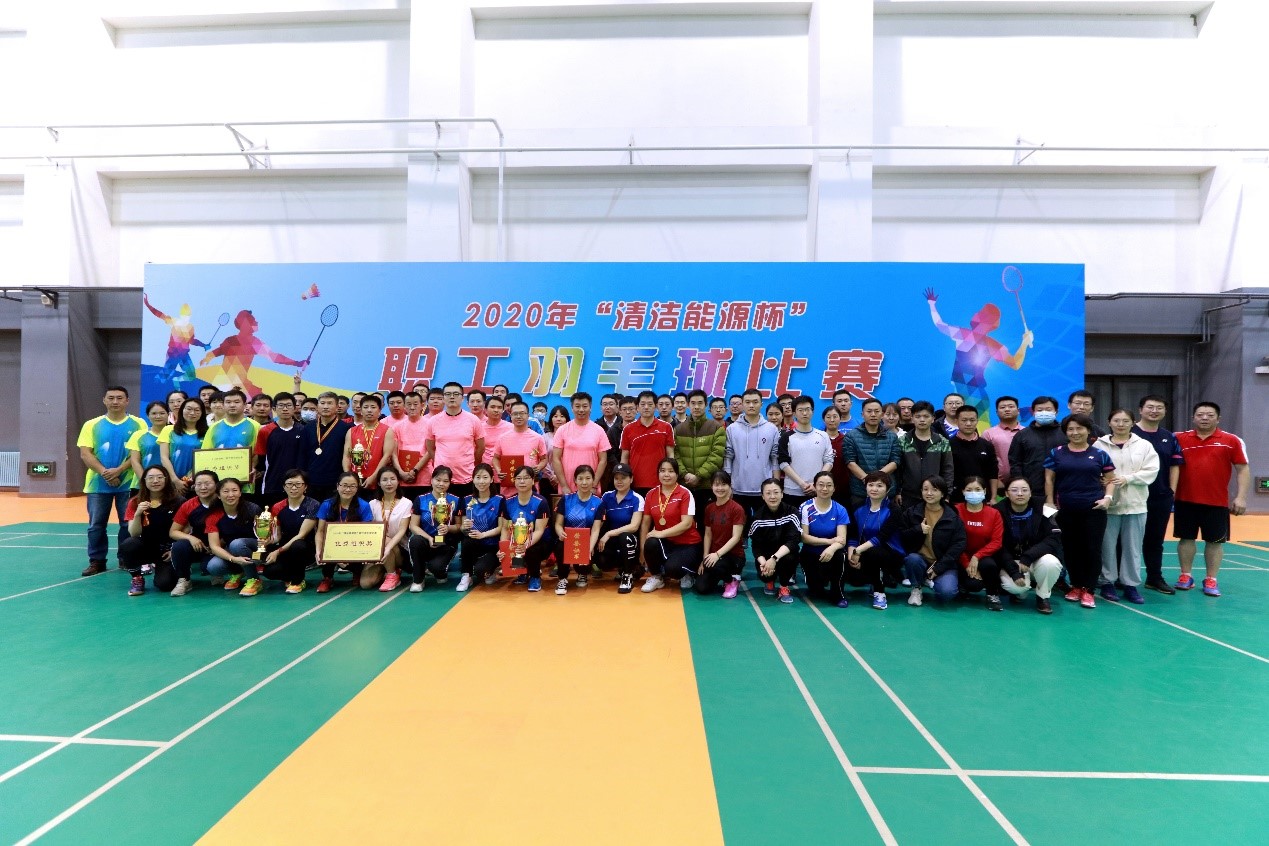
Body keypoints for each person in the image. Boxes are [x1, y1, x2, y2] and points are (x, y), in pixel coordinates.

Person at [1173, 402, 1250, 596]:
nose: (1205, 418)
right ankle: (1185, 576)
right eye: (1200, 414)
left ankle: (1211, 579)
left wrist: (1241, 497)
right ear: (1193, 418)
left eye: (1210, 415)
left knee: (1215, 542)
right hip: (1184, 499)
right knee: (1186, 539)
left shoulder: (1231, 440)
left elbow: (1242, 469)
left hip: (1217, 502)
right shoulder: (1179, 438)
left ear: (1218, 418)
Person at [924, 288, 1033, 425]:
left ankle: (1025, 413)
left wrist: (1024, 343)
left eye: (981, 313)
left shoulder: (972, 337)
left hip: (974, 392)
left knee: (981, 428)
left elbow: (1015, 364)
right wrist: (932, 304)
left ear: (986, 320)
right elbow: (940, 325)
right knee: (972, 426)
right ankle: (1025, 413)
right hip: (964, 390)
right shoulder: (973, 337)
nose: (976, 314)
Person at [1044, 414, 1116, 608]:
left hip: (1093, 510)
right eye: (1070, 429)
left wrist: (1108, 498)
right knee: (1071, 549)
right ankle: (1076, 586)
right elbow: (1049, 479)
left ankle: (1089, 589)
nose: (1075, 432)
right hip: (1066, 510)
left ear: (1088, 431)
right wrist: (1050, 502)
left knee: (1092, 549)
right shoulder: (1056, 453)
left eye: (1079, 428)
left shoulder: (1100, 454)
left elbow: (1111, 479)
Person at [78, 386, 147, 576]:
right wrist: (105, 473)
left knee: (127, 524)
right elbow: (85, 454)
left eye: (119, 398)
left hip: (128, 484)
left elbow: (139, 451)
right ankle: (97, 561)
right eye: (111, 398)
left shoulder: (139, 423)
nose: (115, 401)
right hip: (97, 484)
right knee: (96, 525)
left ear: (127, 401)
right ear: (104, 400)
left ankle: (125, 558)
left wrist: (119, 471)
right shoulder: (91, 425)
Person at [1095, 410, 1160, 604]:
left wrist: (1128, 479)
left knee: (1133, 548)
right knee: (1106, 546)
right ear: (1109, 422)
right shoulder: (1099, 445)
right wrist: (1101, 480)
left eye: (1125, 421)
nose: (1121, 424)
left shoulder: (1144, 445)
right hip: (1108, 505)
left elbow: (1152, 470)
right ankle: (1107, 582)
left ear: (1133, 423)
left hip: (1135, 505)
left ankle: (1130, 584)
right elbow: (1092, 467)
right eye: (1116, 420)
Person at [1133, 395, 1184, 594]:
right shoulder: (1129, 433)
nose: (1154, 411)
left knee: (1155, 540)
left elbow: (1175, 465)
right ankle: (1120, 578)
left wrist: (1171, 492)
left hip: (1160, 497)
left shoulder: (1169, 437)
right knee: (1124, 540)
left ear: (1165, 411)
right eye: (1150, 407)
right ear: (1140, 410)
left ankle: (1154, 577)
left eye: (1159, 408)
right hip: (1132, 496)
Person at [994, 476, 1065, 614]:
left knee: (1051, 563)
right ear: (1007, 493)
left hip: (1035, 558)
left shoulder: (1044, 510)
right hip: (1011, 561)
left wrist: (1029, 556)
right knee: (1016, 587)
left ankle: (1043, 596)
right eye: (1014, 490)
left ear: (1030, 493)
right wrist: (1013, 571)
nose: (1020, 493)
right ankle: (1021, 593)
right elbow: (998, 545)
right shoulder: (997, 512)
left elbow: (1053, 539)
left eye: (1024, 490)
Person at [899, 475, 966, 606]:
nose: (929, 493)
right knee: (912, 559)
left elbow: (959, 544)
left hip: (943, 563)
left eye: (934, 490)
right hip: (920, 559)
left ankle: (930, 578)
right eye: (925, 489)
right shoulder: (912, 512)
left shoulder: (952, 516)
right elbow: (901, 536)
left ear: (942, 494)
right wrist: (918, 530)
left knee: (946, 593)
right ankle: (916, 587)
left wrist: (938, 568)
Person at [640, 459, 703, 592]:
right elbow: (645, 523)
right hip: (666, 543)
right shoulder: (651, 494)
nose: (666, 475)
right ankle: (657, 577)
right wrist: (642, 550)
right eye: (662, 471)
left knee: (673, 569)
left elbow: (686, 524)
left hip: (688, 543)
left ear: (677, 474)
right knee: (650, 542)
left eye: (671, 471)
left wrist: (661, 533)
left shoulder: (685, 493)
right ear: (658, 474)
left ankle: (687, 574)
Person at [798, 472, 860, 608]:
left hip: (833, 553)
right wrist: (829, 542)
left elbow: (842, 540)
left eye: (829, 485)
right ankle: (818, 583)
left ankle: (838, 594)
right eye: (821, 485)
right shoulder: (805, 507)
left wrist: (831, 548)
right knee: (816, 590)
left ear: (834, 488)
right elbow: (804, 537)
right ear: (815, 486)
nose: (824, 489)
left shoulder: (840, 509)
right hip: (811, 552)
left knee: (841, 557)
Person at [119, 465, 182, 596]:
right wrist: (138, 514)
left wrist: (175, 550)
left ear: (166, 479)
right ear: (144, 481)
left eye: (159, 477)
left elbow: (186, 529)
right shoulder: (135, 501)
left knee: (165, 584)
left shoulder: (178, 501)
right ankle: (137, 578)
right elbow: (134, 533)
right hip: (147, 546)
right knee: (129, 544)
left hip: (167, 550)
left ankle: (179, 569)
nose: (155, 481)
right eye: (151, 478)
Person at [847, 471, 905, 607]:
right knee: (855, 579)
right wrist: (851, 556)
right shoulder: (857, 507)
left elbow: (882, 537)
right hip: (864, 551)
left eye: (879, 486)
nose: (874, 489)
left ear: (888, 489)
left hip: (891, 553)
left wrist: (858, 551)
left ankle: (879, 592)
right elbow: (853, 535)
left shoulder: (894, 510)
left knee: (874, 552)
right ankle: (873, 580)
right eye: (871, 485)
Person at [723, 388, 780, 520]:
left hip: (765, 489)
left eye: (755, 402)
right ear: (742, 404)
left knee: (765, 525)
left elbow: (775, 458)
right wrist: (728, 485)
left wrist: (776, 483)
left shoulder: (771, 429)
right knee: (741, 525)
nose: (751, 405)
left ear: (761, 404)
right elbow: (728, 458)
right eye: (747, 402)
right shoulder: (732, 429)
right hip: (738, 488)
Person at [313, 472, 376, 592]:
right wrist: (318, 551)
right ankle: (327, 578)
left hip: (355, 544)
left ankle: (357, 572)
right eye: (344, 485)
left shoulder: (363, 506)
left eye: (352, 486)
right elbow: (320, 531)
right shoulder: (327, 505)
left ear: (357, 488)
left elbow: (366, 533)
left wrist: (347, 553)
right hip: (332, 545)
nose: (348, 489)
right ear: (338, 486)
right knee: (323, 546)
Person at [205, 477, 266, 596]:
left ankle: (254, 580)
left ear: (240, 493)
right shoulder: (213, 515)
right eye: (225, 491)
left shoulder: (253, 509)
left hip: (257, 550)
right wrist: (233, 559)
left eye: (234, 490)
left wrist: (261, 551)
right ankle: (238, 572)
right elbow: (214, 546)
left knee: (236, 544)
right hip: (234, 551)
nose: (230, 495)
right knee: (213, 566)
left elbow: (266, 536)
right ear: (218, 495)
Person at [262, 469, 320, 594]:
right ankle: (290, 576)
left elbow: (302, 535)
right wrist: (266, 541)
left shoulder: (313, 505)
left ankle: (298, 581)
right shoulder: (277, 507)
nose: (293, 488)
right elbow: (277, 535)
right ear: (284, 487)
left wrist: (277, 551)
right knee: (269, 571)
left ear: (305, 487)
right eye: (289, 484)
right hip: (285, 548)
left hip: (306, 548)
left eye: (298, 484)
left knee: (298, 545)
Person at [954, 476, 1006, 611]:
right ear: (963, 492)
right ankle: (962, 586)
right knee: (973, 584)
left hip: (983, 556)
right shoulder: (955, 511)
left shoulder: (994, 513)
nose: (973, 493)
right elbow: (953, 541)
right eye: (969, 490)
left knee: (989, 565)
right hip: (959, 555)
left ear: (984, 491)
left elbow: (997, 542)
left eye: (977, 489)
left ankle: (992, 594)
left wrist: (977, 556)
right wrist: (966, 563)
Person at [406, 465, 462, 591]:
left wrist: (448, 528)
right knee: (415, 541)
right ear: (431, 480)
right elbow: (413, 526)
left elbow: (459, 526)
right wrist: (429, 538)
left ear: (450, 483)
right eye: (438, 480)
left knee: (436, 567)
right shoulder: (420, 499)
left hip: (447, 543)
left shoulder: (456, 500)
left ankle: (440, 572)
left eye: (445, 481)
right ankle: (418, 580)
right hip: (426, 541)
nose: (441, 484)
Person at [167, 469, 223, 596]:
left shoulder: (224, 502)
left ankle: (217, 572)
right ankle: (184, 580)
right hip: (199, 546)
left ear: (216, 485)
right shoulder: (188, 505)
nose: (203, 487)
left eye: (207, 483)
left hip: (221, 546)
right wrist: (191, 538)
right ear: (194, 486)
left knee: (211, 567)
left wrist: (219, 544)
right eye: (199, 484)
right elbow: (173, 532)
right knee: (179, 546)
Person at [426, 383, 485, 500]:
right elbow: (430, 448)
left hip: (467, 477)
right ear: (443, 398)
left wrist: (469, 463)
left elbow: (481, 448)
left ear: (462, 398)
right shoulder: (433, 421)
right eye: (448, 394)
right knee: (442, 510)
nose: (452, 397)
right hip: (442, 479)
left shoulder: (473, 420)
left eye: (456, 394)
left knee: (467, 510)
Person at [746, 478, 801, 603]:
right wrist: (764, 564)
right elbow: (756, 546)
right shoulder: (757, 518)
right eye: (768, 493)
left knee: (791, 557)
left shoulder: (792, 512)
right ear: (763, 496)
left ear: (782, 494)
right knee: (765, 575)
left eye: (776, 492)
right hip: (766, 557)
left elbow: (793, 541)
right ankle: (769, 581)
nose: (772, 496)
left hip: (784, 554)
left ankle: (783, 586)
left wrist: (774, 559)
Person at [499, 466, 552, 592]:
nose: (522, 481)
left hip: (540, 541)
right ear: (514, 481)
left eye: (526, 478)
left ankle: (535, 577)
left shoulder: (541, 502)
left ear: (533, 481)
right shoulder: (508, 502)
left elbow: (539, 530)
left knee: (532, 549)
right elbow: (505, 528)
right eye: (519, 478)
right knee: (514, 545)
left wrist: (526, 544)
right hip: (517, 540)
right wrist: (503, 548)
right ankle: (522, 572)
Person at [777, 395, 836, 511]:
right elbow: (783, 463)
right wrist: (802, 484)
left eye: (808, 409)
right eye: (800, 410)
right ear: (794, 413)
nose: (805, 413)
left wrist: (816, 484)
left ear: (812, 412)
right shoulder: (786, 437)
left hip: (818, 491)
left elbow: (829, 461)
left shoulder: (823, 435)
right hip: (792, 491)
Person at [675, 389, 727, 520]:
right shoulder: (679, 429)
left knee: (707, 524)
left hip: (707, 486)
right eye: (693, 403)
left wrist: (698, 476)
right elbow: (675, 455)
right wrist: (685, 474)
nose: (696, 407)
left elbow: (717, 457)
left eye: (700, 403)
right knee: (685, 523)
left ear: (706, 405)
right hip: (684, 486)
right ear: (688, 405)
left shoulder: (716, 427)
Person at [841, 398, 901, 509]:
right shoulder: (851, 436)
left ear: (882, 414)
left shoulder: (892, 436)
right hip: (861, 492)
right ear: (862, 414)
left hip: (887, 491)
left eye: (877, 411)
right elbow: (850, 462)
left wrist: (877, 479)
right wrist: (868, 480)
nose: (873, 414)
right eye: (869, 411)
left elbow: (895, 461)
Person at [553, 465, 603, 594]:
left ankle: (582, 574)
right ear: (575, 480)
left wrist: (589, 548)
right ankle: (562, 578)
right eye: (580, 479)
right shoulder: (566, 499)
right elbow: (558, 524)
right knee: (559, 546)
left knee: (586, 563)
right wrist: (560, 532)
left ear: (593, 480)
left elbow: (596, 529)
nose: (584, 482)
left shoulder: (598, 502)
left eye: (588, 478)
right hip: (568, 539)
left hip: (587, 541)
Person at [596, 463, 645, 594]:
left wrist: (609, 534)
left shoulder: (637, 498)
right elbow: (600, 520)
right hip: (612, 542)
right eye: (616, 478)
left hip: (630, 541)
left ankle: (628, 575)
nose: (619, 481)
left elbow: (634, 526)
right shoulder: (606, 496)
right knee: (601, 560)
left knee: (625, 536)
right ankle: (622, 569)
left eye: (623, 478)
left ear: (631, 479)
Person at [697, 470, 746, 598]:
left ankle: (732, 580)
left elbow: (736, 537)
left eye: (723, 484)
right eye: (716, 484)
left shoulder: (737, 509)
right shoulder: (709, 508)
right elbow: (708, 534)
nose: (720, 488)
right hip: (715, 555)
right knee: (702, 587)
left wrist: (717, 554)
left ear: (730, 486)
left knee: (715, 566)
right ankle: (723, 576)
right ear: (711, 486)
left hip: (733, 556)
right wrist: (705, 557)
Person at [896, 400, 954, 508]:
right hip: (908, 496)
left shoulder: (942, 442)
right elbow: (898, 470)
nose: (922, 420)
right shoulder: (902, 441)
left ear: (933, 418)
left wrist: (947, 494)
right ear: (912, 418)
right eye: (918, 416)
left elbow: (948, 469)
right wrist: (898, 492)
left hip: (935, 495)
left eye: (926, 416)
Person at [202, 388, 262, 492]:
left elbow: (257, 453)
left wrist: (253, 467)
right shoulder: (214, 427)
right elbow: (205, 453)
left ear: (245, 405)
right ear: (223, 405)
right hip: (218, 483)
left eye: (236, 402)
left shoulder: (255, 426)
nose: (232, 405)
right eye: (228, 402)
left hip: (245, 484)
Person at [365, 467, 413, 592]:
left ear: (398, 481)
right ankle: (387, 569)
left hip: (400, 549)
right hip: (378, 548)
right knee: (365, 583)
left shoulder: (406, 503)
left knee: (384, 540)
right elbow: (370, 530)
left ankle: (392, 574)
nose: (389, 483)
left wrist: (387, 547)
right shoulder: (372, 504)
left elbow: (402, 530)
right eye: (384, 480)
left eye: (392, 479)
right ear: (379, 483)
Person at [551, 392, 610, 496]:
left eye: (585, 406)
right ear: (572, 408)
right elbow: (556, 459)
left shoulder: (599, 430)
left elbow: (603, 460)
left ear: (590, 407)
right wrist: (564, 485)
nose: (581, 410)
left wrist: (594, 485)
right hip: (568, 487)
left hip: (591, 488)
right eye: (577, 406)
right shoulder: (562, 430)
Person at [619, 390, 676, 495]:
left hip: (660, 482)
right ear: (637, 407)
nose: (646, 407)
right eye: (643, 404)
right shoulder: (628, 429)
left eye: (650, 404)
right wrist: (624, 479)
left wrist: (670, 477)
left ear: (655, 407)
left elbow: (670, 455)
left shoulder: (666, 427)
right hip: (635, 482)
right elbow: (624, 458)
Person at [300, 391, 353, 503]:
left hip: (335, 481)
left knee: (332, 511)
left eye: (329, 403)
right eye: (322, 403)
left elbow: (347, 456)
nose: (325, 406)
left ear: (337, 407)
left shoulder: (346, 428)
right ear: (317, 406)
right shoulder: (308, 428)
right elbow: (302, 454)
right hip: (312, 480)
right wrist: (302, 477)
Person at [457, 463, 504, 590]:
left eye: (485, 477)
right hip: (474, 544)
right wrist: (464, 526)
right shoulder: (466, 500)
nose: (481, 481)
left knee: (481, 571)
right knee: (466, 540)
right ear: (473, 479)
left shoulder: (500, 500)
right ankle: (466, 575)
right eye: (478, 477)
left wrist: (483, 535)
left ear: (492, 479)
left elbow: (501, 527)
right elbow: (462, 528)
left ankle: (492, 569)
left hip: (492, 546)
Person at [254, 391, 305, 505]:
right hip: (272, 483)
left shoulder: (303, 430)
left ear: (294, 408)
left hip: (297, 485)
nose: (285, 409)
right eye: (281, 405)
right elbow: (260, 456)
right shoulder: (265, 431)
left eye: (288, 405)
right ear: (274, 409)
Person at [1008, 395, 1064, 495]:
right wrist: (1022, 485)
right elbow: (1015, 463)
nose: (1044, 413)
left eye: (1048, 409)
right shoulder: (1022, 435)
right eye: (1040, 410)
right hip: (1031, 489)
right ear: (1033, 412)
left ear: (1056, 412)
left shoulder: (1065, 433)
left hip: (1062, 488)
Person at [493, 401, 549, 499]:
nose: (518, 416)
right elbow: (496, 458)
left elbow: (544, 459)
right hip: (508, 488)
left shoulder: (537, 438)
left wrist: (539, 467)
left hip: (530, 488)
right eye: (515, 414)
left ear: (528, 415)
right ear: (511, 416)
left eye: (522, 413)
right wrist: (499, 471)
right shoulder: (502, 438)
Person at [343, 393, 396, 493]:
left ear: (379, 411)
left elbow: (387, 456)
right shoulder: (351, 431)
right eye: (366, 407)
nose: (369, 410)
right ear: (361, 410)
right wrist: (349, 477)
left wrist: (374, 476)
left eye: (373, 407)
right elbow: (346, 456)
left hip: (377, 479)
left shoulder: (387, 430)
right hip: (355, 480)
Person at [948, 405, 999, 501]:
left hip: (982, 497)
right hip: (955, 498)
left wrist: (993, 497)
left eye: (972, 420)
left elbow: (993, 473)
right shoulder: (948, 445)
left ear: (977, 421)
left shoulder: (987, 445)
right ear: (956, 421)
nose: (968, 423)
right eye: (964, 420)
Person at [159, 397, 207, 497]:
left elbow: (206, 459)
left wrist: (190, 479)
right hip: (171, 481)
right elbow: (164, 457)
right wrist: (175, 480)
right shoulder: (168, 430)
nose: (192, 413)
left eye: (197, 410)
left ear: (202, 413)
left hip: (197, 483)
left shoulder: (208, 432)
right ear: (182, 410)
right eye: (189, 409)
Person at [393, 390, 432, 500]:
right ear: (404, 406)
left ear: (422, 405)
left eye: (415, 404)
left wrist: (415, 470)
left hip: (424, 476)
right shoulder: (397, 427)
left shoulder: (430, 424)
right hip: (402, 476)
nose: (412, 407)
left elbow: (430, 451)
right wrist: (400, 472)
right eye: (409, 404)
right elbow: (393, 453)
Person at [981, 395, 1023, 488]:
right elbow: (984, 461)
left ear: (1018, 411)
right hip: (997, 484)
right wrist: (995, 480)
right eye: (1002, 407)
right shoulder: (988, 433)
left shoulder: (1027, 432)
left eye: (1011, 406)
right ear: (997, 412)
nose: (1007, 409)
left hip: (1024, 484)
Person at [127, 402, 169, 488]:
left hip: (170, 484)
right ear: (147, 416)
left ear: (168, 414)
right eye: (154, 413)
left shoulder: (175, 434)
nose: (158, 416)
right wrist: (145, 481)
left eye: (162, 413)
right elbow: (135, 461)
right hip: (142, 485)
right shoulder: (138, 435)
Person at [822, 406, 852, 508]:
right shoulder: (818, 439)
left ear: (840, 419)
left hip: (844, 488)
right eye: (828, 417)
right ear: (823, 419)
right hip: (822, 488)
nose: (832, 420)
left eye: (835, 416)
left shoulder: (847, 440)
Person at [598, 393, 625, 490]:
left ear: (617, 406)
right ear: (601, 407)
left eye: (611, 404)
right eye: (605, 404)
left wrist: (619, 467)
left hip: (623, 469)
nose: (607, 407)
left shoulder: (623, 424)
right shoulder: (596, 426)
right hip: (603, 471)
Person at [479, 395, 511, 465]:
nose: (496, 410)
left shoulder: (511, 428)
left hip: (504, 467)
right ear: (485, 410)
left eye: (499, 407)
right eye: (492, 407)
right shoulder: (479, 427)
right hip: (483, 468)